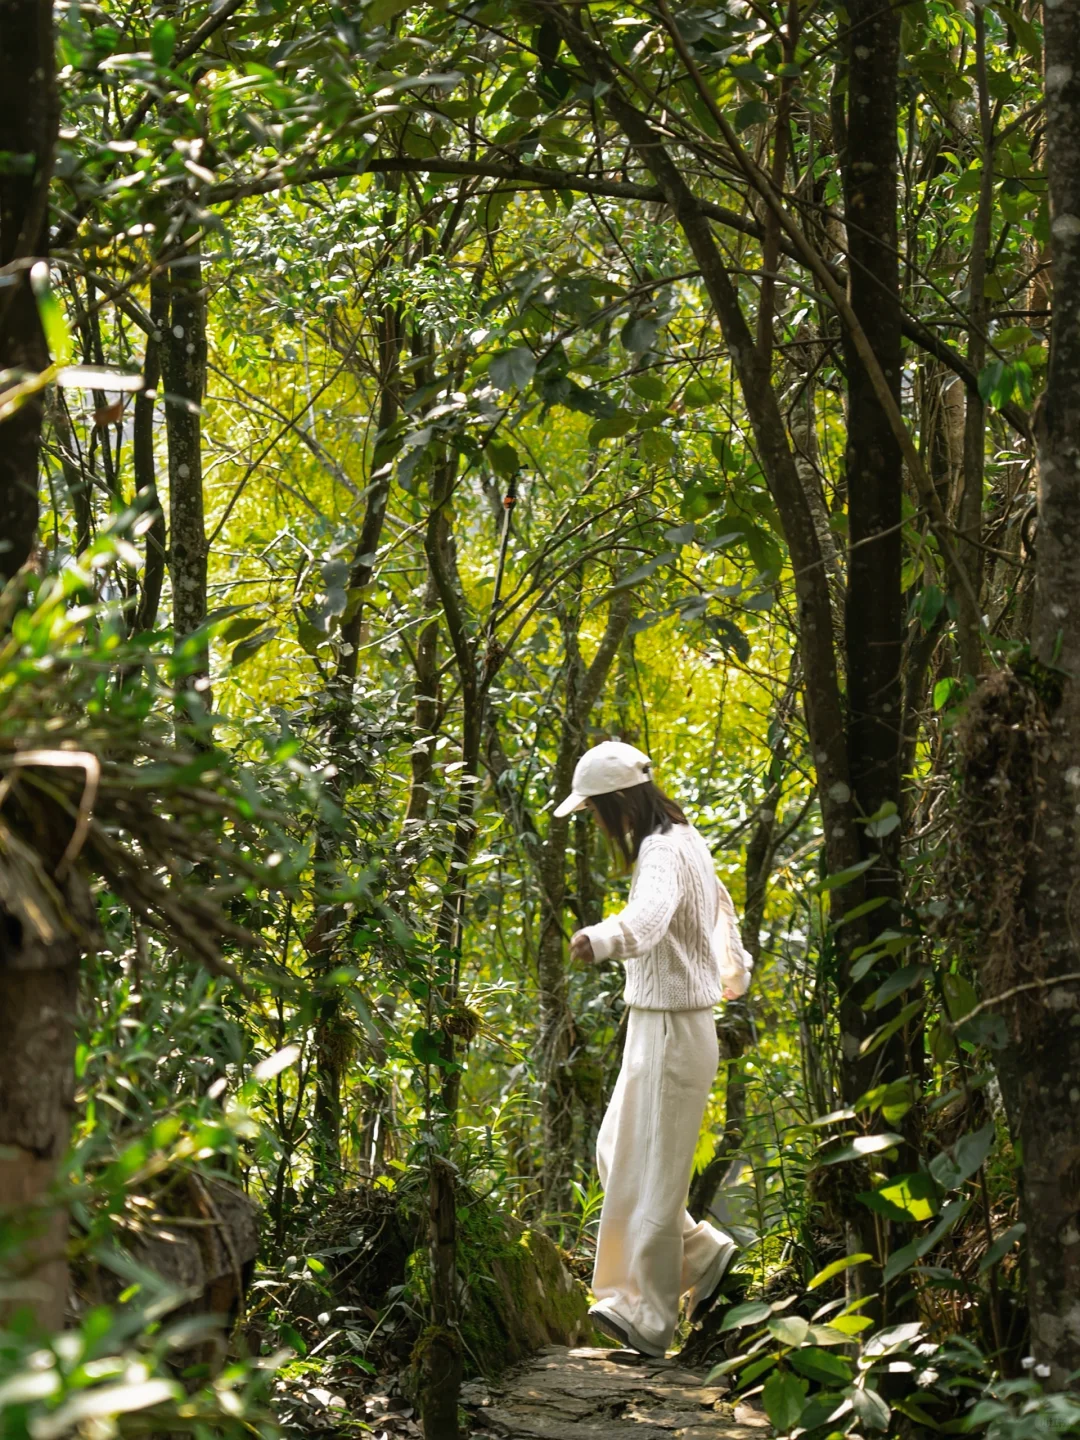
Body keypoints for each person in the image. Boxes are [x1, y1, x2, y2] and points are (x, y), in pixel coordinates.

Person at [555, 739, 753, 1358]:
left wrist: (600, 939)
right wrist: (733, 969)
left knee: (656, 1176)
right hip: (661, 1024)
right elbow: (722, 913)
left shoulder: (664, 851)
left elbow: (649, 917)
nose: (593, 822)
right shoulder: (686, 840)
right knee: (617, 1152)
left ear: (618, 802)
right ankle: (703, 1252)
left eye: (593, 810)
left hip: (673, 1027)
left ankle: (647, 1317)